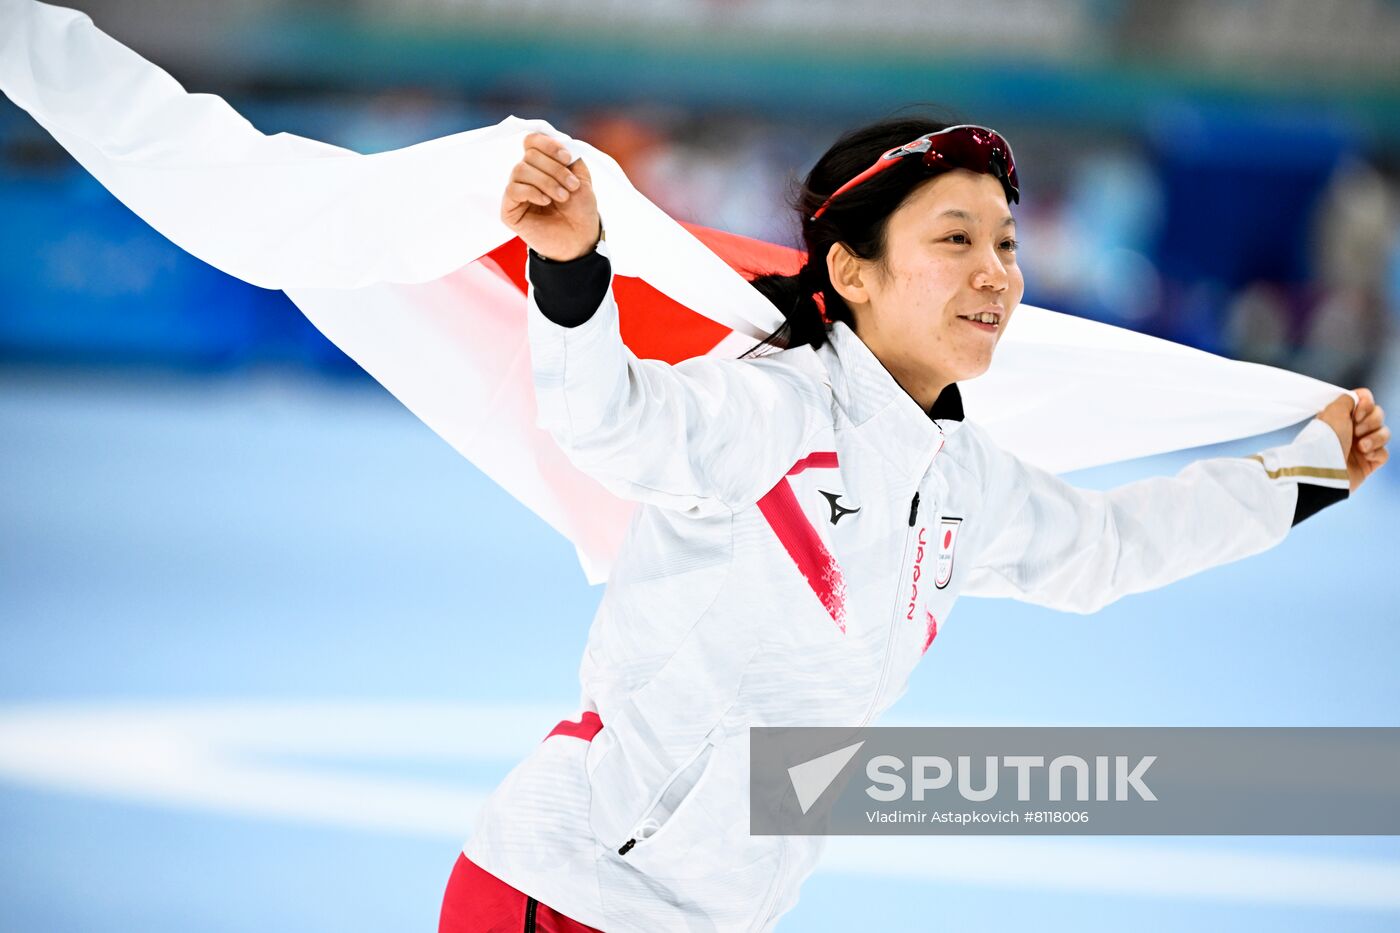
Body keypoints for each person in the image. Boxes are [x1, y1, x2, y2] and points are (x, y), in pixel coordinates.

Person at [438, 117, 1390, 932]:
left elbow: (1108, 548)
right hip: (566, 891)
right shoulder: (773, 413)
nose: (996, 273)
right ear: (851, 270)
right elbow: (610, 422)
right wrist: (569, 266)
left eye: (1007, 245)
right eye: (955, 240)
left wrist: (1304, 472)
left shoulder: (960, 478)